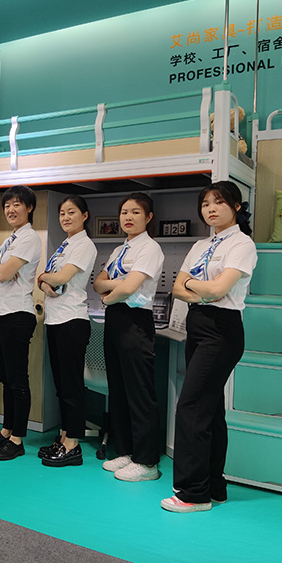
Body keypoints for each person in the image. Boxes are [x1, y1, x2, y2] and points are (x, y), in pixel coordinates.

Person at [161, 181, 257, 513]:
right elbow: (177, 287)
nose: (211, 209)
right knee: (211, 410)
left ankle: (193, 494)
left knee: (191, 408)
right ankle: (214, 486)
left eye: (218, 202)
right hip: (198, 325)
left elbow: (219, 291)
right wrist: (199, 289)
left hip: (222, 331)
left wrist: (193, 286)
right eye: (205, 204)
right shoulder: (202, 244)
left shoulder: (242, 244)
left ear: (237, 207)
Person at [93, 192, 163, 481]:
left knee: (139, 392)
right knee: (119, 389)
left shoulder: (150, 248)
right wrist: (114, 288)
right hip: (114, 319)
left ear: (148, 217)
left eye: (135, 212)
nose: (128, 217)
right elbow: (98, 283)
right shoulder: (119, 250)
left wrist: (110, 295)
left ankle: (147, 462)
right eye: (124, 212)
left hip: (135, 321)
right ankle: (125, 451)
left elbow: (130, 287)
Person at [0, 185, 42, 461]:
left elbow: (1, 275)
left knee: (17, 380)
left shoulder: (29, 238)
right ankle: (6, 430)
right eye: (7, 205)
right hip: (0, 312)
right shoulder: (7, 242)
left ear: (29, 208)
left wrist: (0, 271)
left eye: (17, 204)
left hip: (18, 314)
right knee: (5, 378)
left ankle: (17, 438)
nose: (11, 210)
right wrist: (0, 270)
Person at [36, 195, 97, 466]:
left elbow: (59, 278)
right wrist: (43, 280)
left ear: (85, 215)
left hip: (72, 320)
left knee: (72, 386)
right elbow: (45, 280)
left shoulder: (84, 245)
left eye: (72, 212)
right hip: (55, 320)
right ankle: (63, 437)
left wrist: (43, 278)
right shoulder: (64, 246)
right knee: (61, 386)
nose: (66, 217)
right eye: (62, 213)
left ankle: (73, 444)